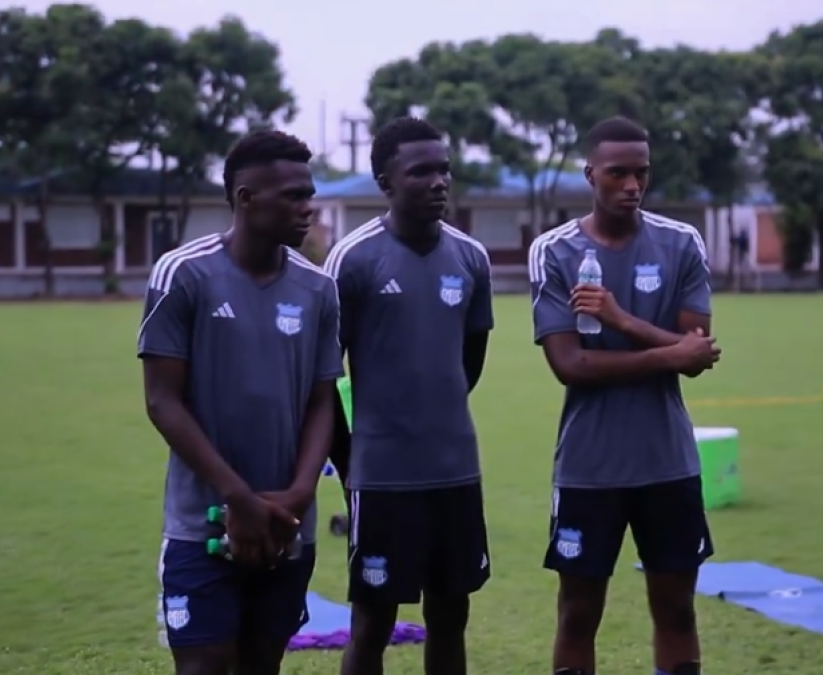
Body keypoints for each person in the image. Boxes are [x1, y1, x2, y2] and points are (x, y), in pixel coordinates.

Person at [139, 129, 344, 675]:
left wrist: (300, 494)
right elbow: (162, 402)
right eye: (293, 196)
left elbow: (323, 400)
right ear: (245, 198)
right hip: (201, 526)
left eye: (310, 194)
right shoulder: (183, 274)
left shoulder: (319, 289)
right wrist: (238, 498)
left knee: (262, 665)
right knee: (204, 666)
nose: (308, 208)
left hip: (285, 524)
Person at [527, 116, 722, 675]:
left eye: (641, 173)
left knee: (677, 611)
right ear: (591, 174)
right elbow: (570, 365)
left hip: (668, 464)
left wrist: (619, 319)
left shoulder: (681, 242)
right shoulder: (556, 252)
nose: (632, 185)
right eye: (618, 173)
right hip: (589, 467)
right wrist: (670, 355)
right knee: (578, 615)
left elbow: (699, 352)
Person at [322, 116, 494, 675]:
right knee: (372, 622)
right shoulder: (352, 261)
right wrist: (351, 464)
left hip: (454, 471)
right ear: (385, 181)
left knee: (451, 616)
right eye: (421, 171)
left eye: (444, 170)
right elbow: (322, 380)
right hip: (381, 477)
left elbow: (467, 366)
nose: (438, 182)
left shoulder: (471, 259)